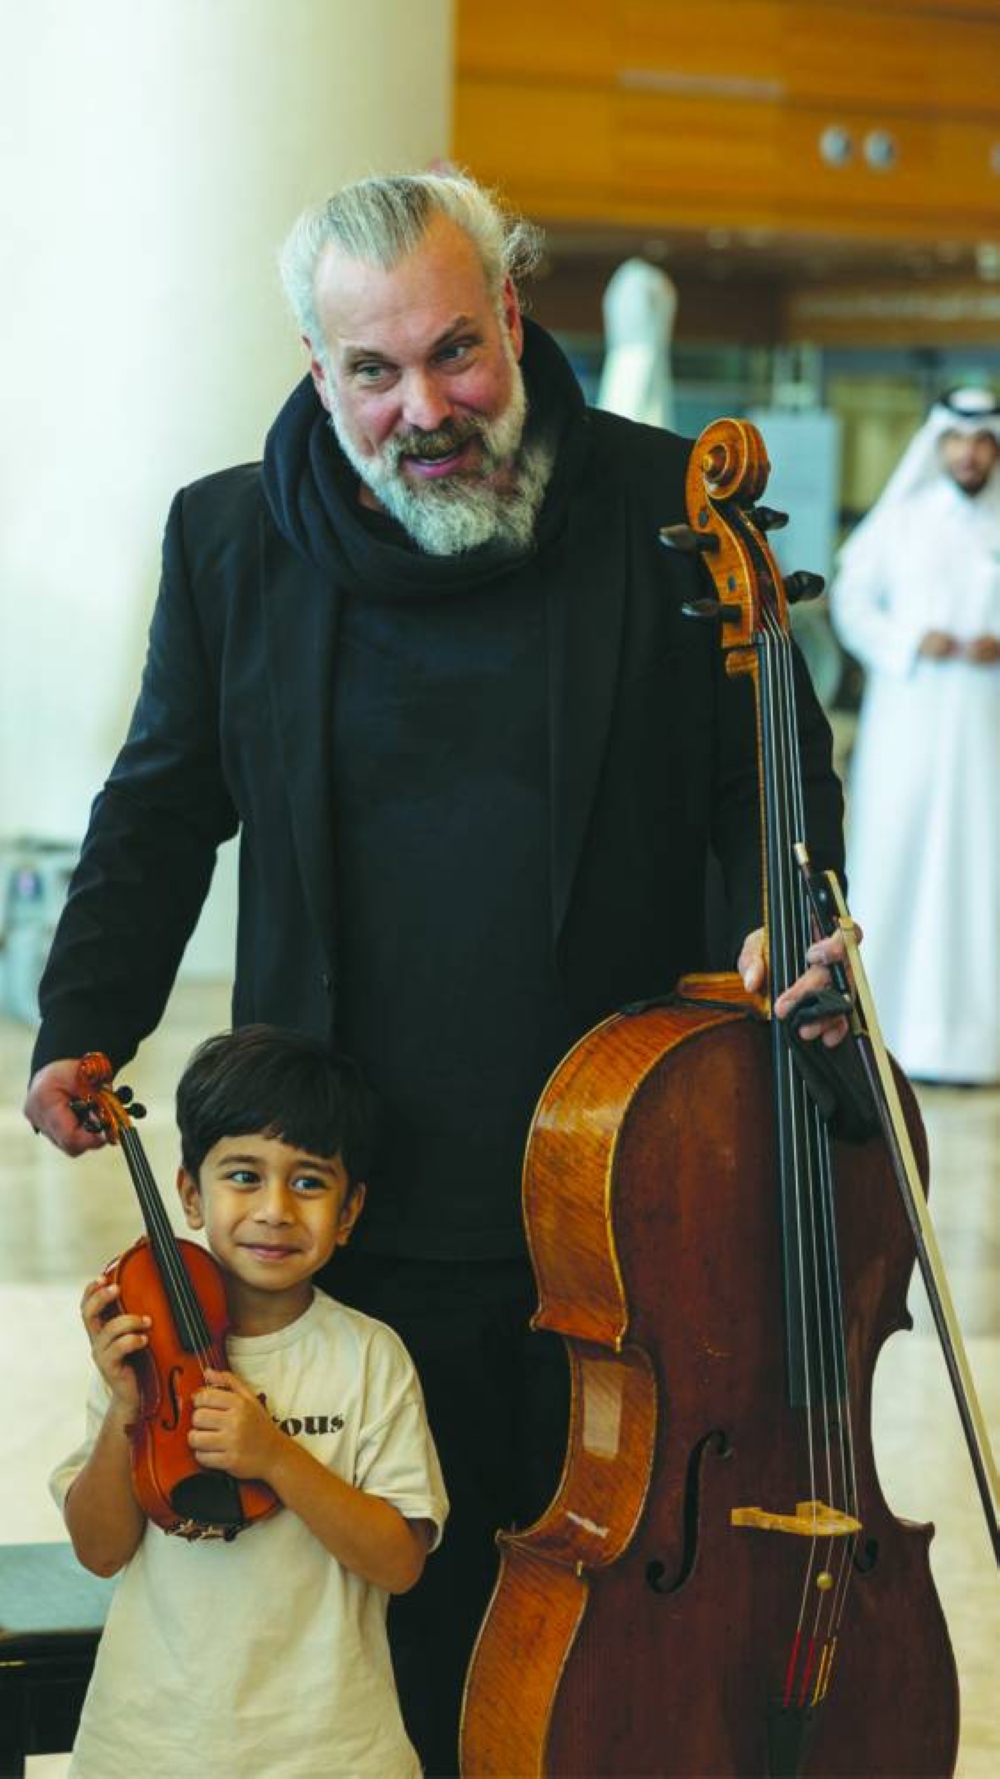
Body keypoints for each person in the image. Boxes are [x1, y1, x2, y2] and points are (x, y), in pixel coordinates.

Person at [26, 171, 849, 1772]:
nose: (427, 406)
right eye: (375, 371)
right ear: (314, 364)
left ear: (516, 317)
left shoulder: (667, 503)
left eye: (457, 353)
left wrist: (782, 915)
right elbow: (160, 801)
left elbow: (774, 782)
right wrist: (83, 1017)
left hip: (618, 1186)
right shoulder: (228, 537)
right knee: (369, 1601)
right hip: (342, 1194)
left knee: (606, 1609)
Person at [50, 1024, 448, 1779]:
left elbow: (399, 1561)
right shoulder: (142, 1346)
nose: (274, 1208)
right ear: (190, 1194)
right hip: (151, 1745)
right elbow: (99, 1552)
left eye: (308, 1181)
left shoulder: (368, 1357)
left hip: (329, 1751)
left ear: (351, 1209)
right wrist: (124, 1414)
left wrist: (275, 1455)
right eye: (242, 1175)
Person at [831, 386, 1000, 1085]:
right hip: (910, 725)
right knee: (899, 861)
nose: (969, 454)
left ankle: (980, 1044)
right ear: (939, 445)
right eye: (958, 441)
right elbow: (850, 602)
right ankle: (893, 1034)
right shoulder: (899, 522)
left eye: (983, 441)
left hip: (986, 729)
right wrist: (910, 641)